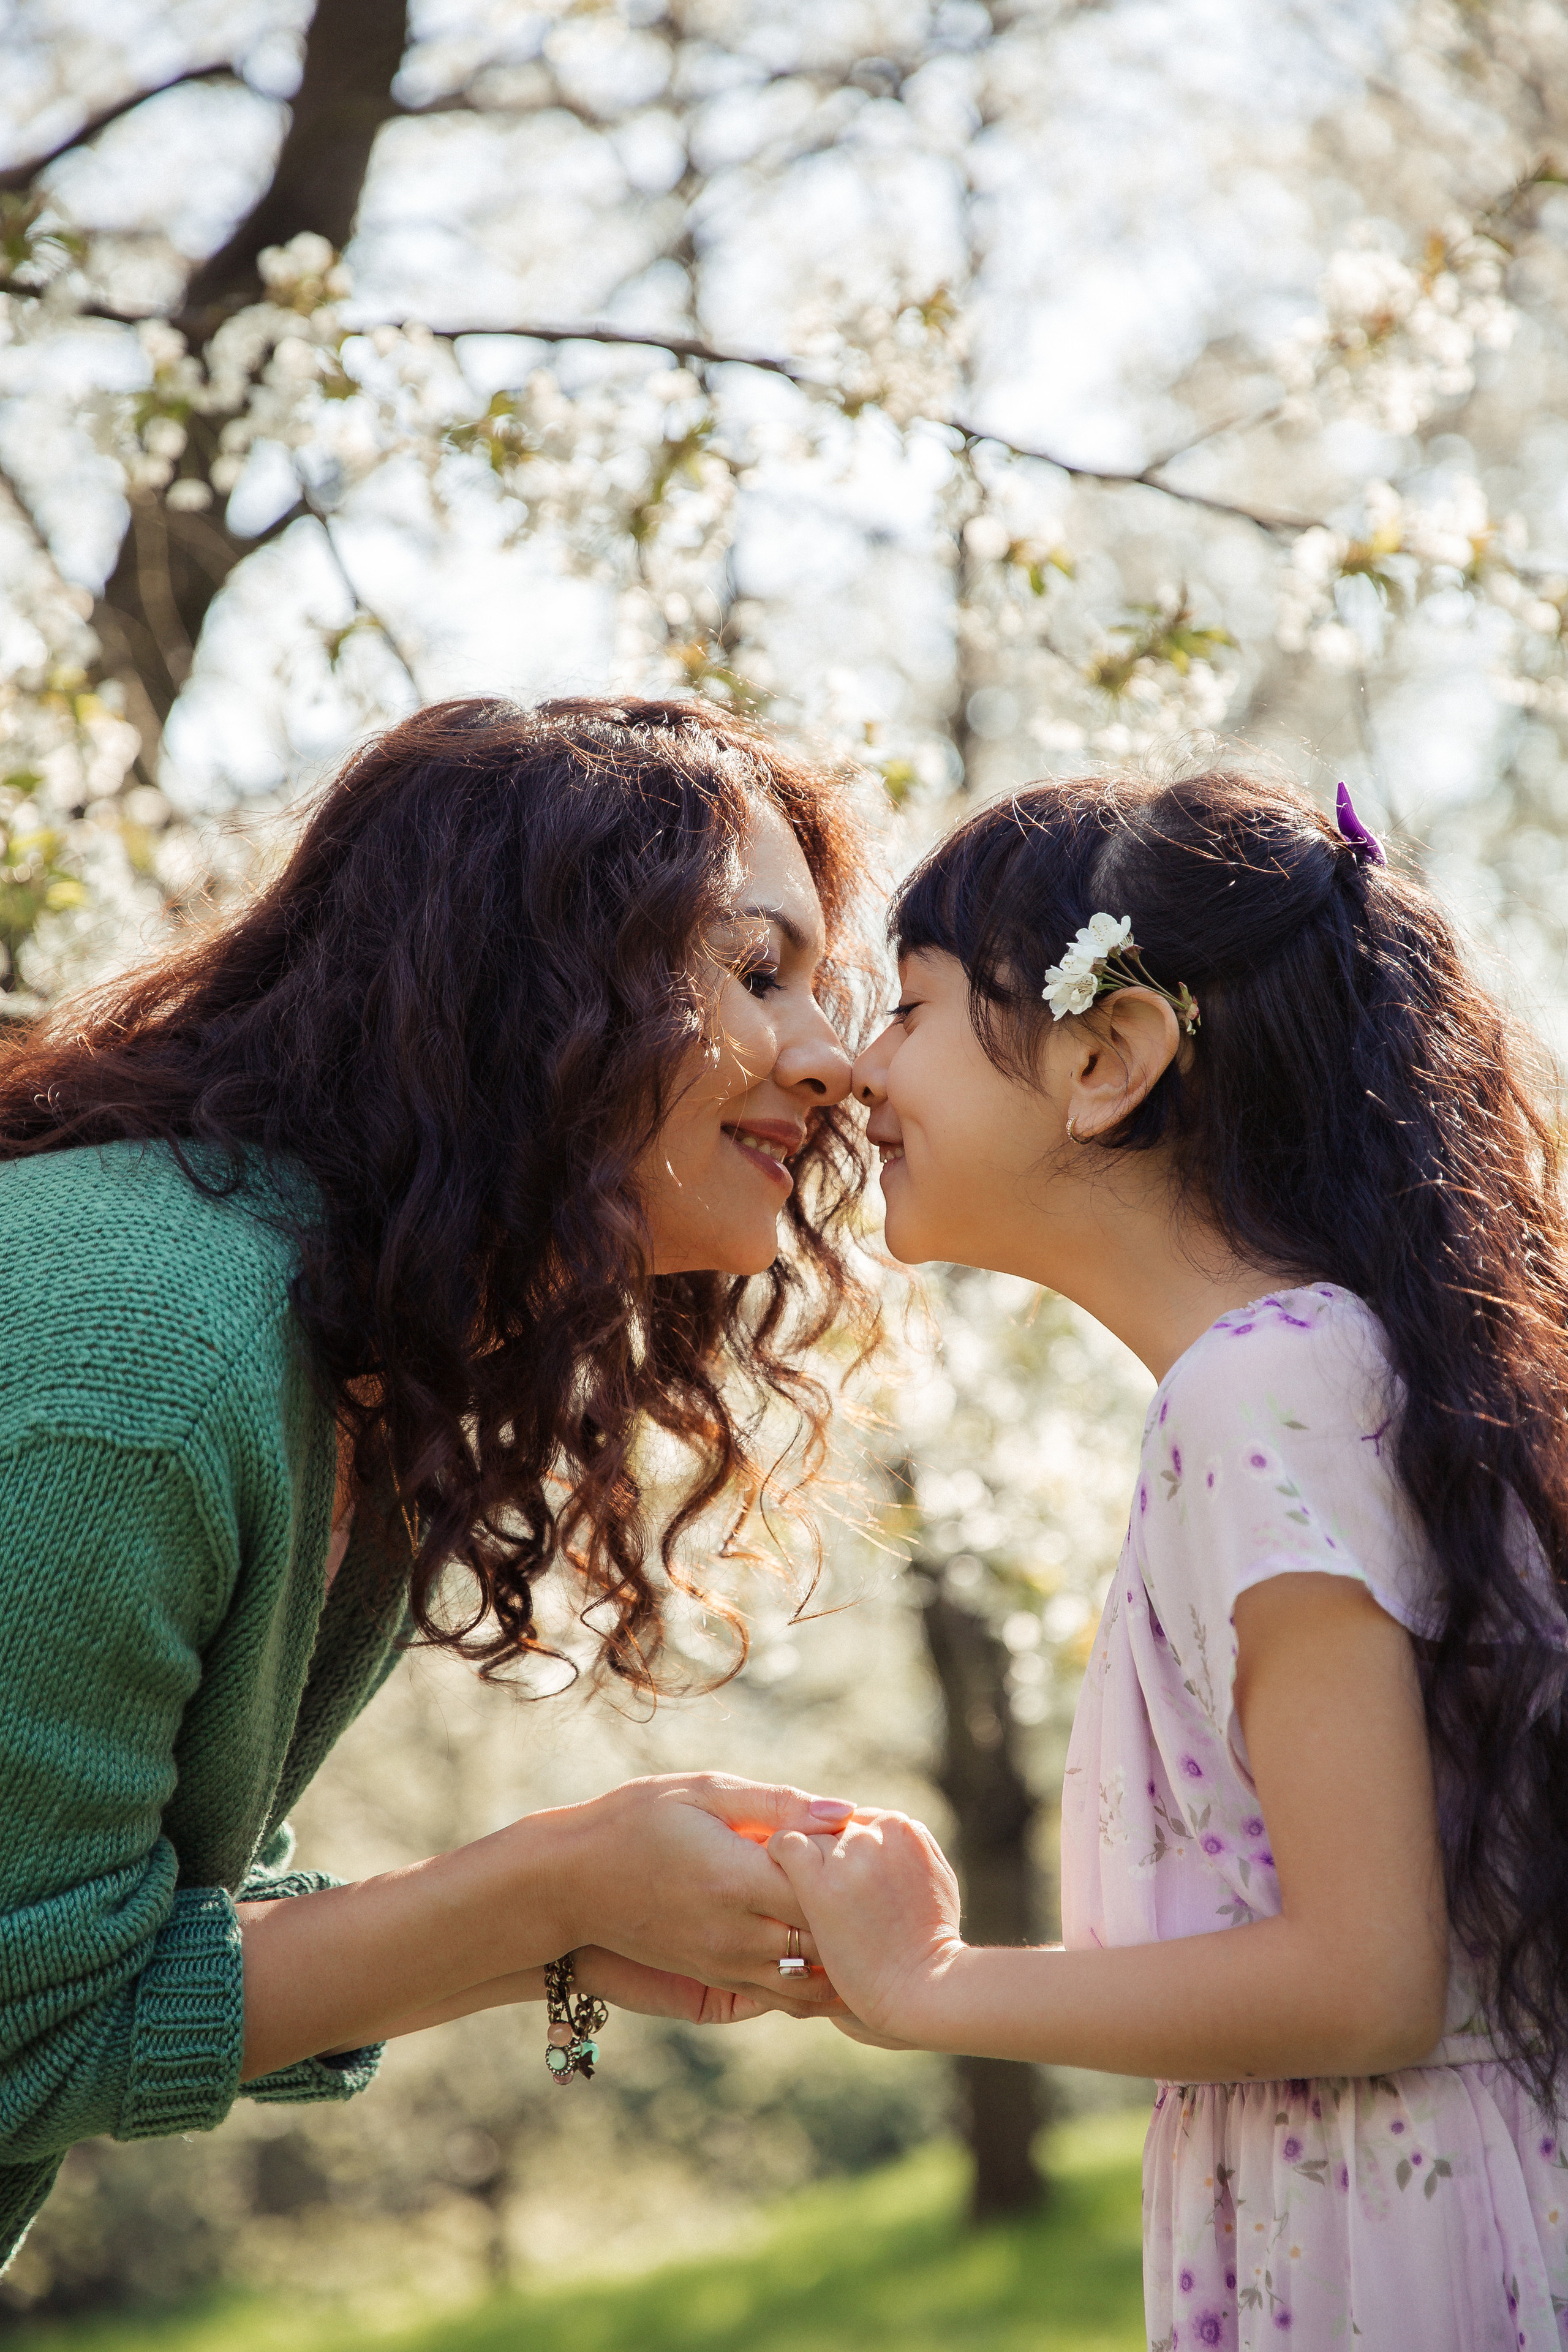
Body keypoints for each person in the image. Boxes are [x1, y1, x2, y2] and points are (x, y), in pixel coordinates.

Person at [0, 694, 875, 2266]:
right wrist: (543, 1891)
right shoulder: (144, 1375)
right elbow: (20, 2031)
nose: (831, 1060)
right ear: (528, 993)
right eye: (755, 973)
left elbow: (88, 1947)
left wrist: (582, 1920)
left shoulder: (353, 1355)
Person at [770, 770, 1568, 2350]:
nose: (859, 1074)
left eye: (912, 1009)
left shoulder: (1262, 1387)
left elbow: (1362, 1984)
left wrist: (924, 1986)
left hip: (1390, 2241)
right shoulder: (1322, 1371)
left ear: (1105, 1058)